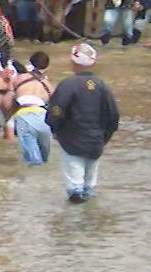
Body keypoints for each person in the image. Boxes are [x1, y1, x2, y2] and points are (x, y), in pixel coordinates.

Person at [46, 43, 119, 203]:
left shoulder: (68, 85)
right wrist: (104, 138)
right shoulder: (103, 86)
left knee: (75, 189)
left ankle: (74, 224)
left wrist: (55, 129)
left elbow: (56, 111)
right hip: (96, 142)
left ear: (73, 62)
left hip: (73, 141)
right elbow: (113, 116)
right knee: (89, 188)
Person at [5, 52, 53, 165]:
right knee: (44, 159)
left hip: (25, 116)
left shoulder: (18, 79)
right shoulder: (48, 85)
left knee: (33, 161)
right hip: (43, 117)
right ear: (46, 66)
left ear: (31, 63)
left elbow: (7, 103)